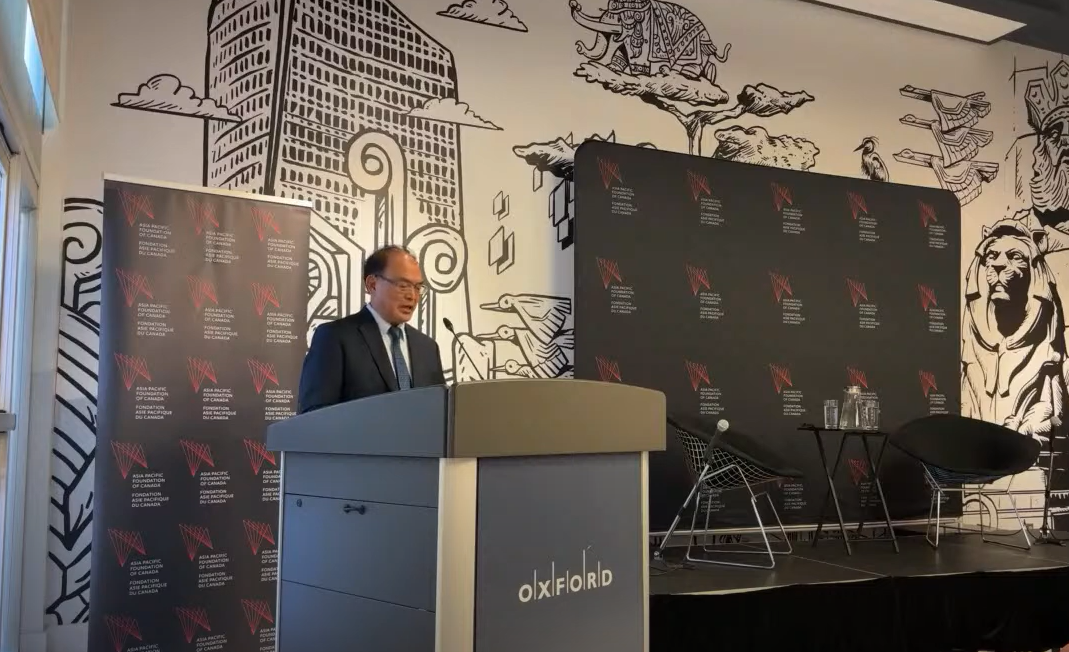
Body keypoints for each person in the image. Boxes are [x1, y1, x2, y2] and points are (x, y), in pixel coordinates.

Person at [297, 245, 446, 413]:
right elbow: (314, 414)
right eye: (403, 285)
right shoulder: (334, 338)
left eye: (418, 287)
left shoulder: (427, 348)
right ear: (372, 284)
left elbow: (441, 411)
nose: (412, 296)